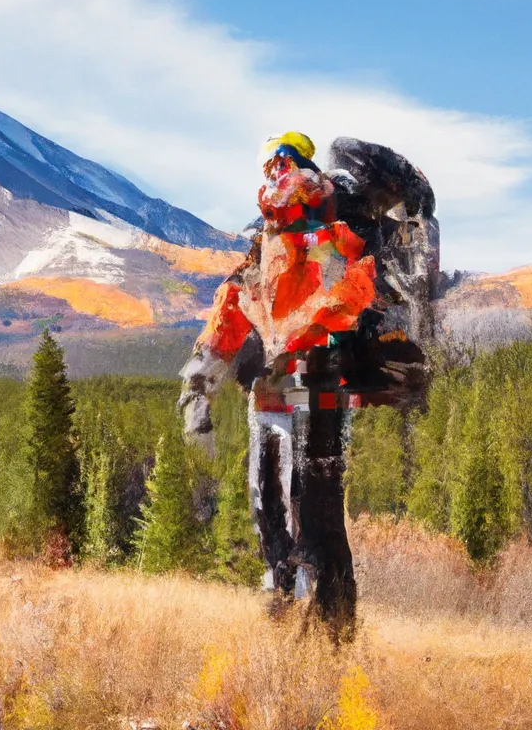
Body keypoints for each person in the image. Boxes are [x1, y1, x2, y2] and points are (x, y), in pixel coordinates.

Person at [178, 131, 435, 637]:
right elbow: (233, 307)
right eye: (272, 171)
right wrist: (198, 386)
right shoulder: (266, 251)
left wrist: (317, 324)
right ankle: (284, 604)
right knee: (267, 503)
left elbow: (354, 290)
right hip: (272, 389)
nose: (278, 177)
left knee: (311, 505)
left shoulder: (336, 235)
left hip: (318, 381)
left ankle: (330, 627)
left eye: (286, 166)